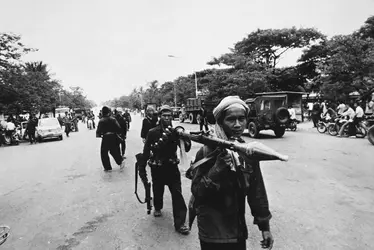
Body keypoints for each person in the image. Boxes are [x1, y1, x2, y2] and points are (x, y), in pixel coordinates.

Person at [191, 96, 274, 250]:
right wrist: (216, 169)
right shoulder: (206, 151)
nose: (237, 124)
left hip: (237, 231)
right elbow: (197, 192)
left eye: (241, 119)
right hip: (212, 233)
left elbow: (257, 191)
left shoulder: (248, 152)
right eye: (231, 119)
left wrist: (265, 227)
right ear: (221, 121)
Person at [139, 105, 191, 235]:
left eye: (169, 116)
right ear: (160, 116)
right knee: (157, 189)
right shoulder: (152, 132)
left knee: (177, 194)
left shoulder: (175, 132)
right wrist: (142, 164)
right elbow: (146, 151)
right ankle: (157, 206)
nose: (167, 118)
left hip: (172, 167)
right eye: (164, 115)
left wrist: (185, 139)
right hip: (157, 167)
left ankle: (180, 223)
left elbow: (185, 148)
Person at [96, 106, 124, 171]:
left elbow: (98, 132)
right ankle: (120, 161)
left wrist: (100, 135)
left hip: (105, 137)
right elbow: (119, 128)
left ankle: (107, 167)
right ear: (109, 112)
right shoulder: (113, 119)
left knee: (104, 153)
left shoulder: (101, 121)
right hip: (113, 137)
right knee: (114, 151)